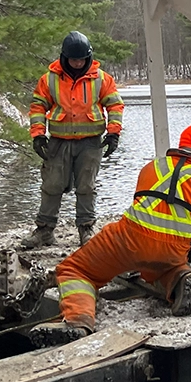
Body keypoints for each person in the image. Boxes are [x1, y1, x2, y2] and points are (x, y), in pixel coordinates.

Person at [39, 124, 191, 343]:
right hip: (174, 250)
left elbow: (143, 206)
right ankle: (179, 277)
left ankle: (77, 320)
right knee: (161, 266)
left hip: (130, 239)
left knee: (75, 269)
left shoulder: (153, 167)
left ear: (182, 146)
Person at [22, 31, 124, 248]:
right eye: (73, 59)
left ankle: (86, 228)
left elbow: (115, 105)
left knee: (86, 185)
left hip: (91, 141)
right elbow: (38, 107)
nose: (77, 64)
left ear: (88, 57)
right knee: (52, 184)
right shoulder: (49, 79)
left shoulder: (101, 79)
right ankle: (45, 230)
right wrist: (38, 135)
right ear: (64, 57)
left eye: (81, 59)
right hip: (59, 140)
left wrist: (114, 133)